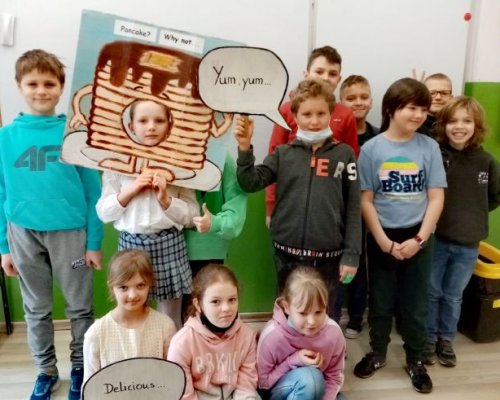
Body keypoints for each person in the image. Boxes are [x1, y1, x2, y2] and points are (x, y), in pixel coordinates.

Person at [0, 49, 103, 400]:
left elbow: (93, 191)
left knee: (80, 307)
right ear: (19, 86)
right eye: (32, 84)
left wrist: (94, 242)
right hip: (22, 234)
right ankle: (46, 371)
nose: (41, 90)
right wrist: (4, 247)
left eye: (49, 83)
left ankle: (80, 368)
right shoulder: (5, 138)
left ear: (61, 87)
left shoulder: (75, 134)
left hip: (71, 234)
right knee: (36, 309)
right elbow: (2, 192)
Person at [235, 78, 361, 315]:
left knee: (322, 315)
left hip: (329, 258)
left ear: (330, 113)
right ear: (294, 116)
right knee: (288, 313)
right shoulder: (283, 154)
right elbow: (250, 182)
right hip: (287, 255)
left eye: (321, 113)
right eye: (307, 114)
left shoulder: (344, 155)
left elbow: (354, 207)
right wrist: (244, 147)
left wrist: (351, 255)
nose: (314, 121)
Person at [354, 77, 447, 394]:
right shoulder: (371, 149)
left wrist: (419, 239)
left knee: (416, 304)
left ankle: (415, 359)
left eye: (423, 109)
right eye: (411, 108)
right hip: (382, 236)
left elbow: (436, 197)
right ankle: (378, 352)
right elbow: (366, 200)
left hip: (419, 236)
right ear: (391, 109)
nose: (419, 115)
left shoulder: (429, 147)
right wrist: (383, 241)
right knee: (380, 301)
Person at [96, 99, 198, 329]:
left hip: (168, 243)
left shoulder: (181, 163)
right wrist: (131, 190)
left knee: (170, 317)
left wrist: (166, 200)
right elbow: (103, 212)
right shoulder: (116, 162)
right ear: (131, 126)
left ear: (170, 125)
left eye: (159, 120)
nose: (151, 127)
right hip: (130, 245)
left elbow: (192, 215)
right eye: (143, 120)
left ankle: (170, 351)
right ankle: (136, 348)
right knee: (132, 309)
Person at [423, 96, 500, 367]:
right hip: (438, 240)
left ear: (476, 125)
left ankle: (446, 339)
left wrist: (473, 215)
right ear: (443, 125)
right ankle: (428, 338)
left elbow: (494, 197)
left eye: (467, 121)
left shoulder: (487, 162)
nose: (459, 127)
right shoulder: (436, 155)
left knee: (453, 295)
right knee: (432, 292)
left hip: (469, 244)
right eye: (453, 121)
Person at [265, 46, 359, 224]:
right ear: (306, 74)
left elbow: (351, 165)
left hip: (329, 208)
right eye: (319, 71)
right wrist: (271, 206)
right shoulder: (286, 110)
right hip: (289, 203)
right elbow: (273, 158)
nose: (325, 77)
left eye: (332, 73)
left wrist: (348, 213)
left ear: (339, 79)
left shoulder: (346, 115)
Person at [83, 249, 176, 384]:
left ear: (150, 284)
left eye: (140, 285)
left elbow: (173, 377)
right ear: (112, 286)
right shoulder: (96, 333)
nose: (132, 295)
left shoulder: (165, 326)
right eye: (123, 287)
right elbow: (90, 386)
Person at [167, 264, 258, 399]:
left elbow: (246, 386)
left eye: (232, 300)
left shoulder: (247, 336)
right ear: (198, 304)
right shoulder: (182, 343)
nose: (226, 308)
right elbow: (184, 395)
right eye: (215, 301)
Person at [334, 75, 379, 338]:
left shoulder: (378, 137)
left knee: (360, 264)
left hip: (369, 212)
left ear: (371, 100)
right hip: (339, 210)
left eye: (363, 97)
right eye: (351, 98)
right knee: (340, 263)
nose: (358, 102)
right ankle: (337, 310)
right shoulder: (335, 137)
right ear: (340, 102)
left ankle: (356, 315)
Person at [257, 266, 347, 400]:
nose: (312, 321)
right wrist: (294, 360)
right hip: (281, 391)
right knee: (310, 379)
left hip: (317, 389)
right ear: (286, 307)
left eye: (319, 312)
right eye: (303, 313)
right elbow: (263, 384)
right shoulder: (272, 336)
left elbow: (334, 377)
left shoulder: (334, 333)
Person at [184, 153, 248, 276]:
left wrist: (214, 223)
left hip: (210, 251)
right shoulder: (171, 156)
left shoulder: (222, 158)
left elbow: (236, 212)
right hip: (172, 248)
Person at [419, 73, 453, 137]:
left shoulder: (457, 125)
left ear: (451, 98)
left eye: (444, 93)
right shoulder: (414, 124)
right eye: (432, 93)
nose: (438, 97)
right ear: (423, 96)